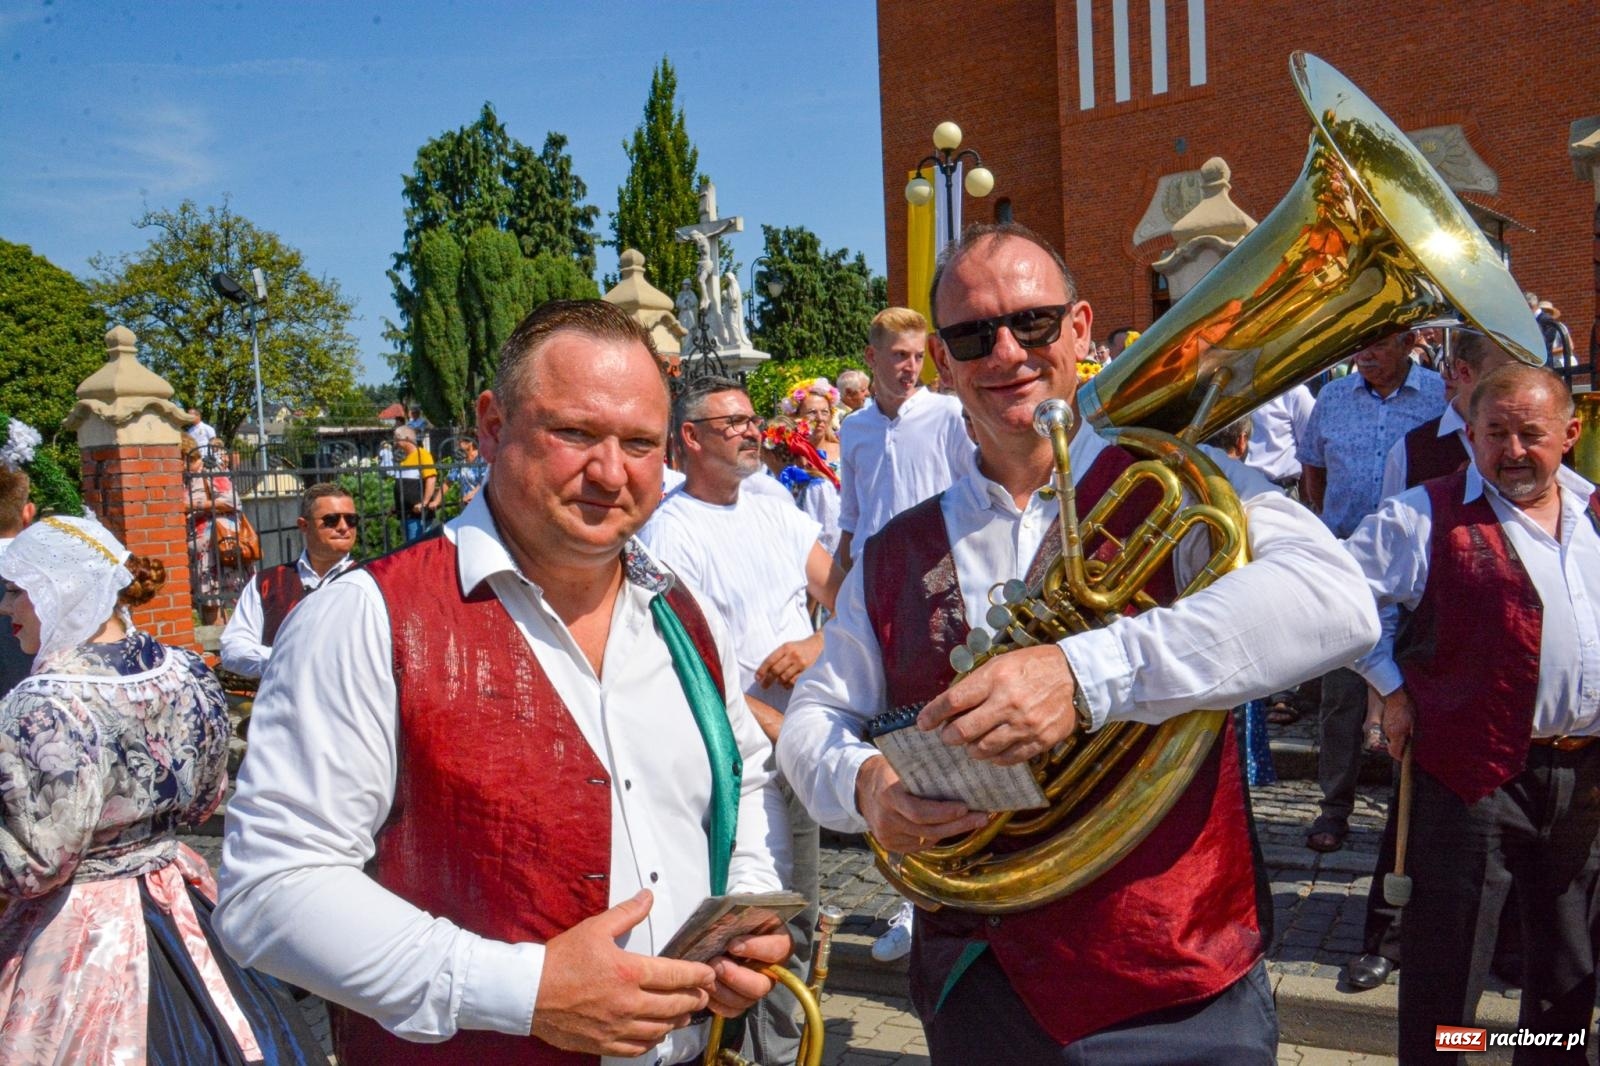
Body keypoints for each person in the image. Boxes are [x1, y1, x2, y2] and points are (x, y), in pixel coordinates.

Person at [777, 223, 1379, 1063]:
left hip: (1175, 987)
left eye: (1033, 323)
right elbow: (815, 719)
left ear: (1080, 328)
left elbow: (1338, 601)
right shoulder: (891, 553)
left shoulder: (1186, 483)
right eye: (971, 335)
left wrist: (1082, 672)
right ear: (944, 364)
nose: (1007, 352)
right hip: (981, 986)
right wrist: (868, 785)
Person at [215, 299, 793, 1065]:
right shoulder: (368, 617)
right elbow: (272, 891)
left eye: (640, 443)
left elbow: (744, 775)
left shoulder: (682, 611)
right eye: (576, 433)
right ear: (492, 426)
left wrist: (742, 909)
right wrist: (526, 992)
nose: (610, 472)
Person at [0, 514, 329, 1063]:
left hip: (79, 933)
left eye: (18, 591)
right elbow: (204, 801)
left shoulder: (43, 703)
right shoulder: (188, 671)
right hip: (177, 893)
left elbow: (34, 865)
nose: (7, 608)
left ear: (61, 590)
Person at [1342, 364, 1597, 1064]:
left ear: (1570, 434)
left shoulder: (1597, 510)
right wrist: (1390, 686)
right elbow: (1339, 601)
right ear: (1471, 436)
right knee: (1447, 974)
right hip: (1469, 777)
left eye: (1531, 435)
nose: (1513, 451)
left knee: (1568, 972)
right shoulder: (1423, 514)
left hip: (1584, 781)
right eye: (1496, 434)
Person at [640, 376, 842, 1063]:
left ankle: (784, 1055)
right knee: (746, 929)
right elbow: (687, 665)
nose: (752, 431)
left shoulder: (774, 508)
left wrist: (814, 646)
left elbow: (838, 595)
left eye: (754, 419)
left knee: (797, 922)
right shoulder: (669, 531)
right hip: (739, 753)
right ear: (690, 438)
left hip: (799, 736)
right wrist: (768, 723)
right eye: (732, 423)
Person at [1344, 328, 1521, 993]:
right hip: (1433, 664)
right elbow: (1372, 590)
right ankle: (1385, 938)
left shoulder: (1539, 457)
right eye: (1500, 377)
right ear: (1462, 377)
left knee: (1502, 835)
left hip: (1507, 674)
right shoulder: (1415, 449)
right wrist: (1381, 691)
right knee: (1409, 817)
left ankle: (1504, 946)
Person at [1298, 330, 1444, 854]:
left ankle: (1414, 811)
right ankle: (1334, 809)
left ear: (1409, 343)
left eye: (1378, 344)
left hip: (1416, 566)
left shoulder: (1437, 393)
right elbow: (1312, 467)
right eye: (1359, 344)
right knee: (1341, 695)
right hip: (1346, 563)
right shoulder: (1333, 396)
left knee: (1417, 685)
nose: (1364, 354)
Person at [835, 307, 975, 568]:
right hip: (870, 571)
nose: (912, 367)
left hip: (934, 567)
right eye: (900, 355)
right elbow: (851, 517)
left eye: (919, 356)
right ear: (871, 356)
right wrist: (842, 586)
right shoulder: (854, 427)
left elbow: (978, 493)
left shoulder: (948, 414)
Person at [219, 483, 359, 679]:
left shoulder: (372, 581)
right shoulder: (266, 583)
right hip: (284, 704)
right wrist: (288, 660)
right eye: (331, 520)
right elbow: (233, 649)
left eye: (351, 519)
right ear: (303, 525)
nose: (344, 527)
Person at [183, 434, 250, 625]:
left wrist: (195, 505)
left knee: (222, 602)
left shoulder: (210, 470)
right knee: (207, 604)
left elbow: (232, 501)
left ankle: (226, 647)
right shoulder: (185, 478)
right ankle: (217, 648)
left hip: (217, 550)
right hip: (198, 552)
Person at [761, 417, 843, 558]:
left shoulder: (815, 486)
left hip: (815, 567)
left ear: (771, 454)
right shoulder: (770, 483)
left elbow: (829, 537)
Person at [391, 425, 441, 542]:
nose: (395, 443)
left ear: (407, 438)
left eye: (397, 439)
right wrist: (396, 505)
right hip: (405, 514)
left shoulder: (422, 454)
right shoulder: (403, 458)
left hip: (418, 516)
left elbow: (431, 479)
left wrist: (424, 502)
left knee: (416, 549)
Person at [450, 435, 489, 505]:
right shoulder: (461, 460)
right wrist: (436, 501)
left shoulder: (483, 459)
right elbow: (449, 479)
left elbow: (485, 481)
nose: (459, 443)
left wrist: (471, 495)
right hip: (466, 503)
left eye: (462, 441)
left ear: (470, 443)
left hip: (482, 502)